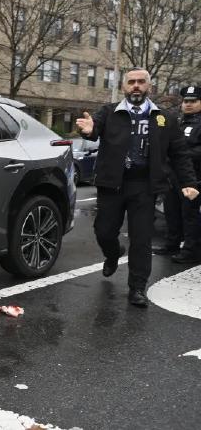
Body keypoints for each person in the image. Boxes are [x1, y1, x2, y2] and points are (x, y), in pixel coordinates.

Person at [75, 68, 198, 308]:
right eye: (131, 82)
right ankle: (112, 254)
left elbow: (180, 153)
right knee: (104, 232)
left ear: (149, 87)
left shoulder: (165, 118)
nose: (136, 86)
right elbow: (94, 128)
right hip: (112, 184)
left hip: (144, 186)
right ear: (124, 87)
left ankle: (137, 288)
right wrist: (88, 130)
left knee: (141, 239)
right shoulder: (110, 112)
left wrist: (189, 183)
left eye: (141, 82)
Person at [166, 85, 201, 264]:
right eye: (186, 101)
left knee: (190, 215)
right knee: (172, 212)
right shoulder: (178, 122)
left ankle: (190, 250)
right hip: (173, 176)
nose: (188, 104)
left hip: (193, 177)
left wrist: (181, 153)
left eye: (193, 101)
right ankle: (172, 244)